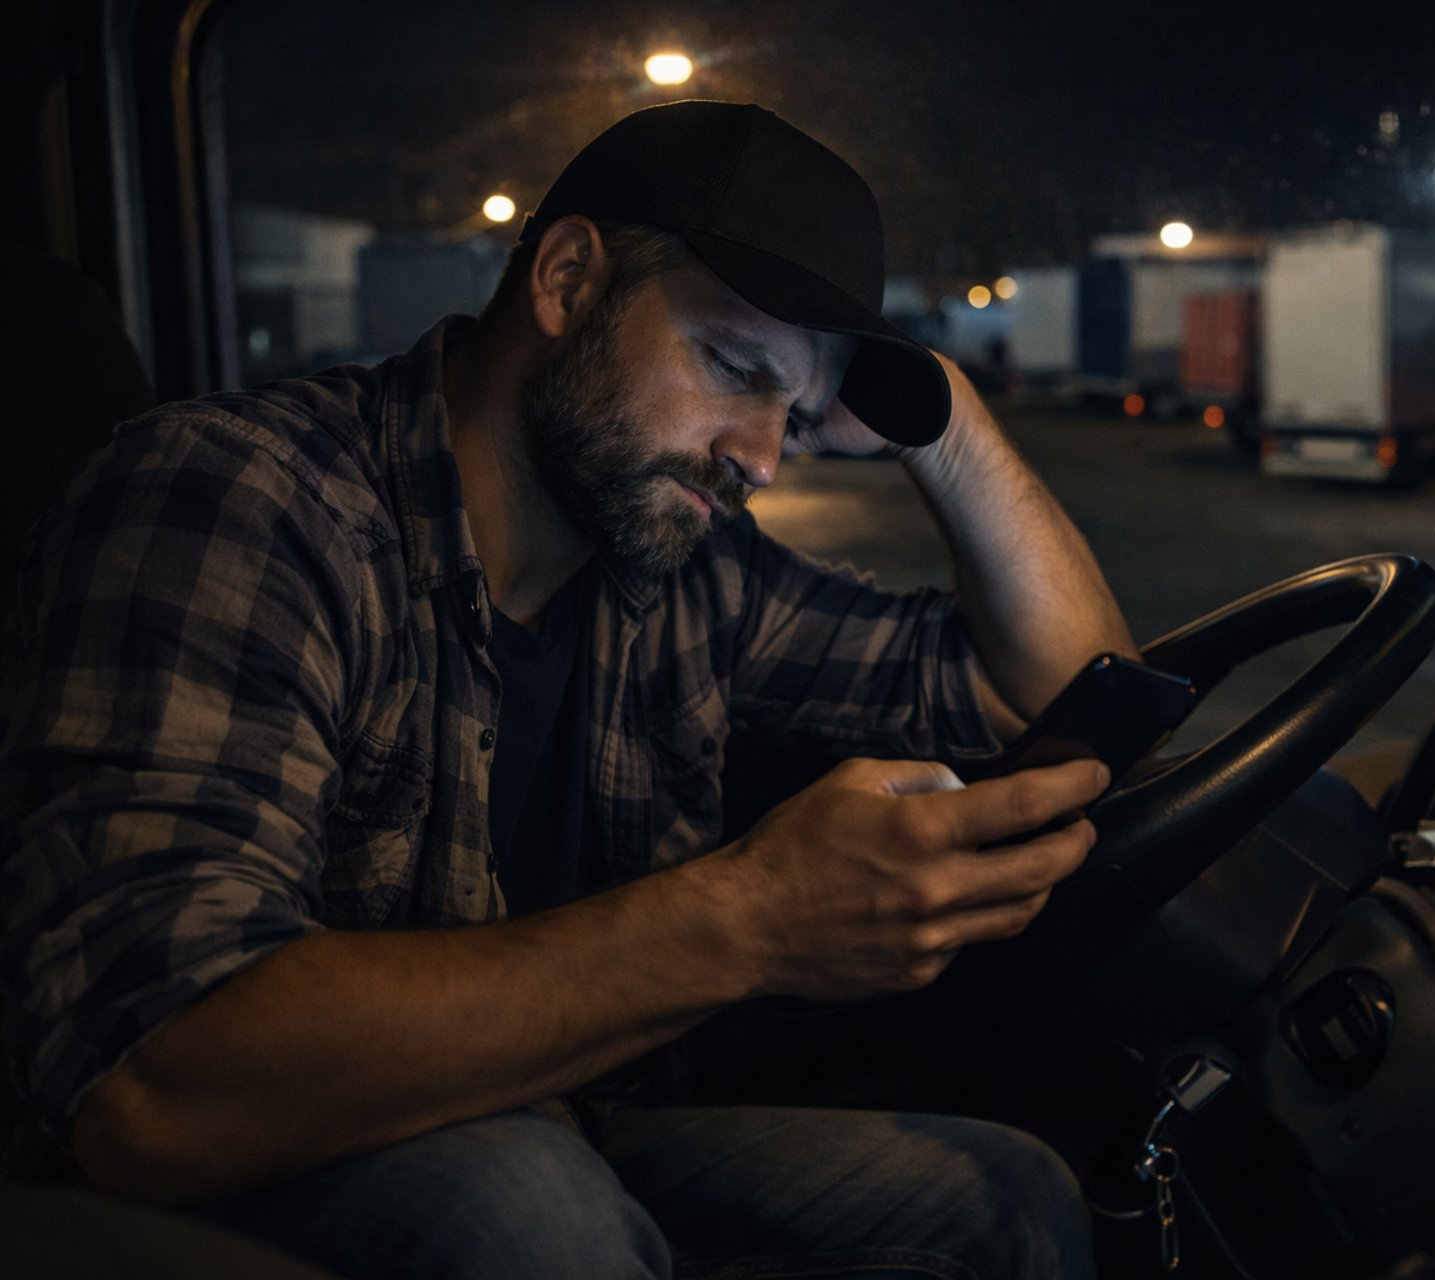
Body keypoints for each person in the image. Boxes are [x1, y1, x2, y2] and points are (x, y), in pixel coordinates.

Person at [0, 101, 1137, 1278]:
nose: (762, 457)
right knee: (523, 1203)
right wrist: (748, 919)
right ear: (566, 279)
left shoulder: (676, 569)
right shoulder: (239, 503)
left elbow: (1067, 692)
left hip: (580, 1121)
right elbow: (154, 1080)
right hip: (229, 1177)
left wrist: (937, 424)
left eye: (793, 414)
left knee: (1002, 1196)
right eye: (734, 369)